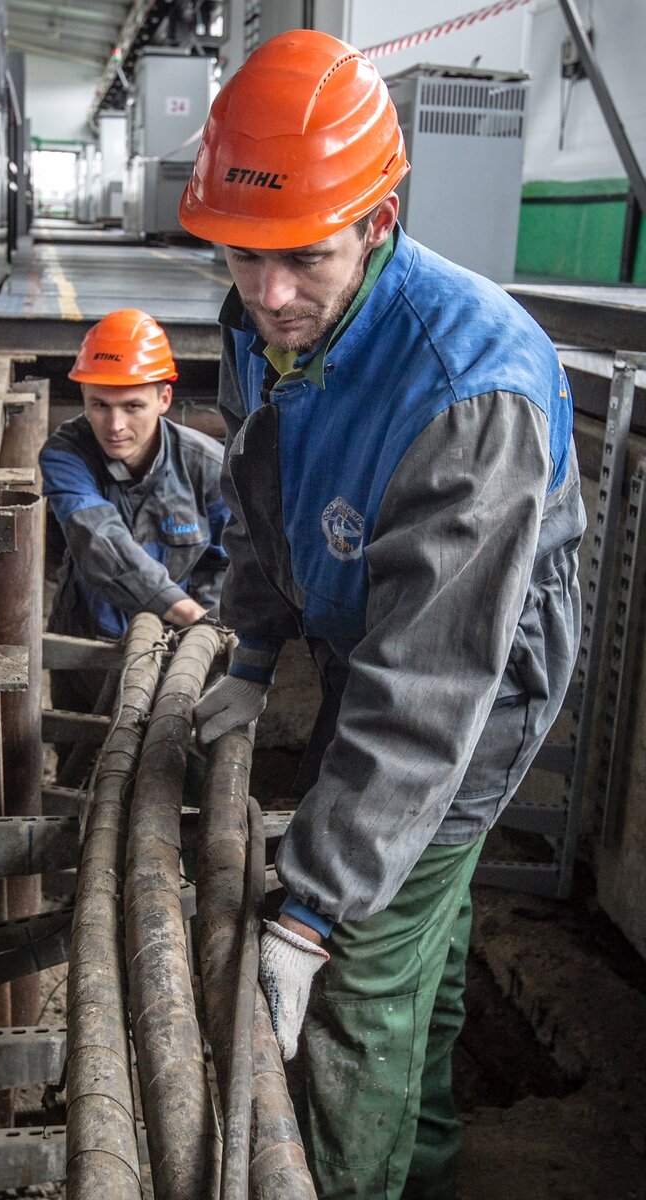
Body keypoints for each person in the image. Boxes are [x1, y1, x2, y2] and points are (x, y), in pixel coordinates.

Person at [182, 29, 585, 1200]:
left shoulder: (469, 394)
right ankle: (432, 1148)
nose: (268, 294)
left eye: (302, 257)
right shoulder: (272, 318)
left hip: (474, 673)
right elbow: (260, 496)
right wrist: (251, 647)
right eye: (242, 258)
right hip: (372, 632)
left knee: (361, 969)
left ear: (377, 218)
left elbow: (426, 692)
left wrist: (309, 912)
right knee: (421, 926)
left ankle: (363, 1180)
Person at [41, 308, 229, 731]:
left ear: (164, 399)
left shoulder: (208, 468)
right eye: (99, 405)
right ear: (84, 396)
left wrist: (203, 637)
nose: (115, 425)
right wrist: (182, 609)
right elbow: (99, 540)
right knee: (77, 749)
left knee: (180, 761)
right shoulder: (66, 454)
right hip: (85, 642)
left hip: (180, 653)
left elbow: (229, 562)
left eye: (133, 406)